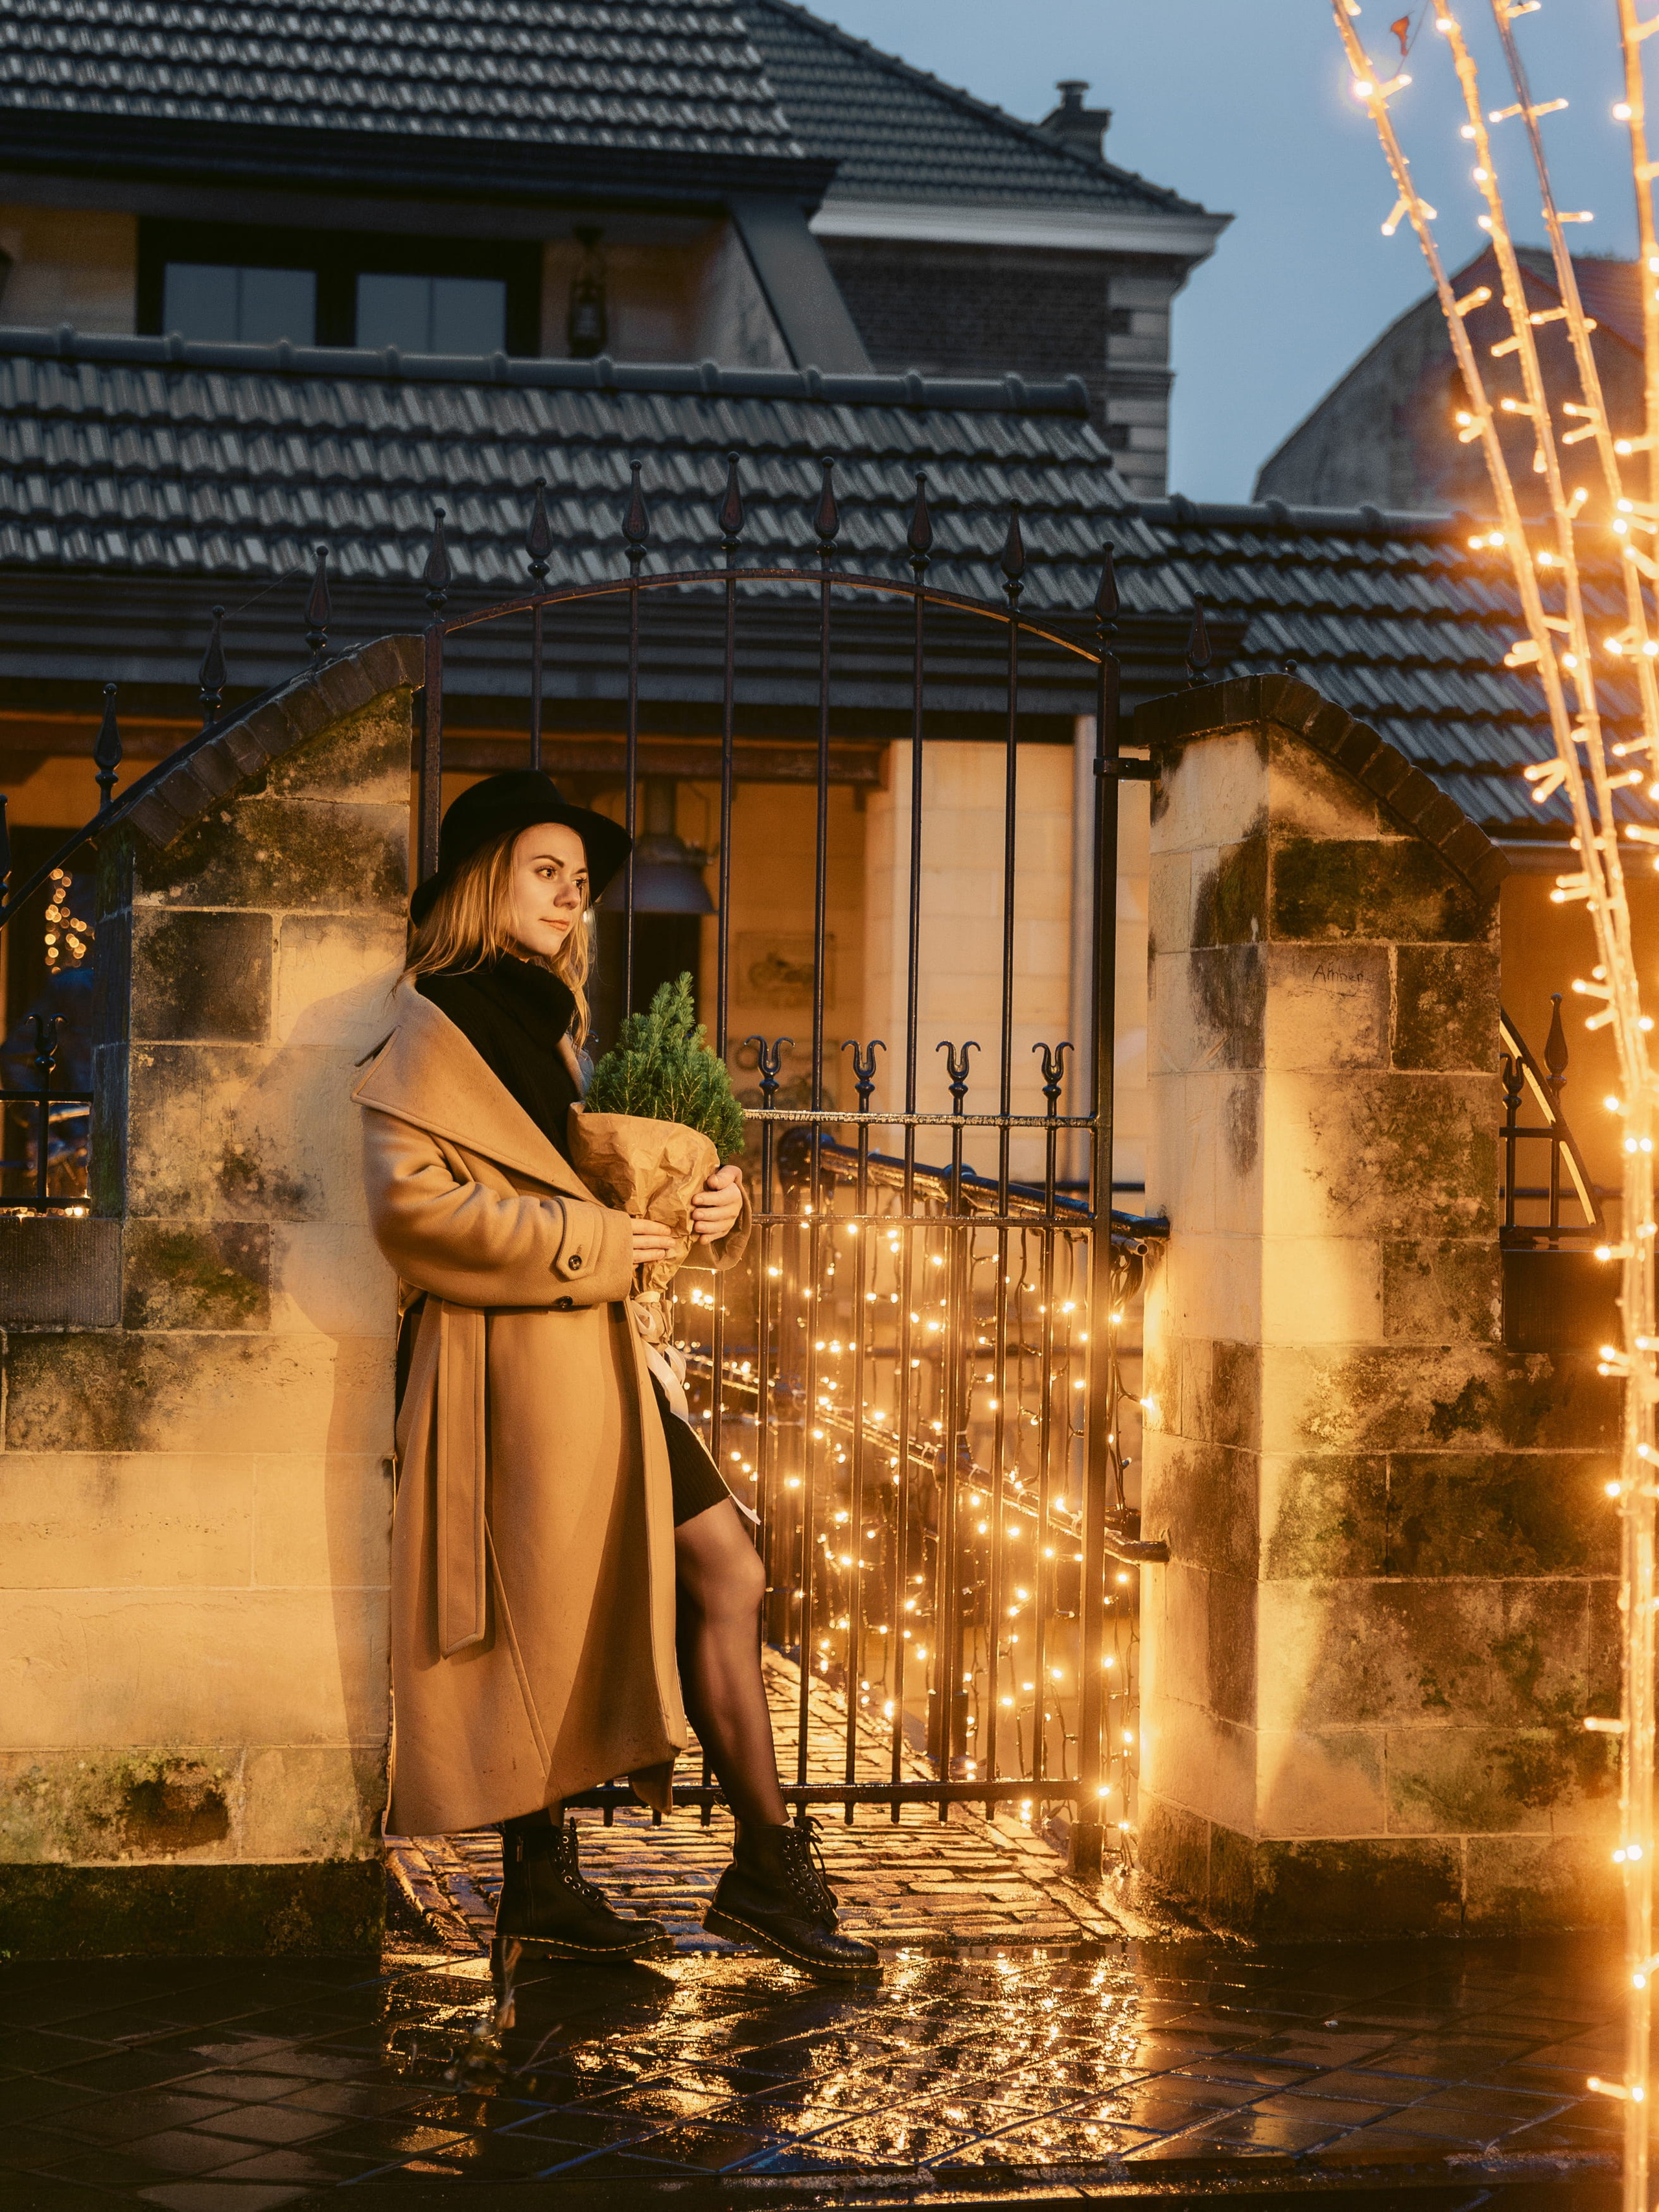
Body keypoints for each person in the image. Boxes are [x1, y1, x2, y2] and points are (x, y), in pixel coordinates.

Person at [353, 771, 877, 1981]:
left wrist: (709, 1206)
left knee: (726, 1563)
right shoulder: (429, 1027)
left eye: (580, 884)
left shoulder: (561, 1029)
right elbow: (415, 1216)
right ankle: (547, 1881)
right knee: (535, 1607)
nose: (570, 896)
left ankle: (761, 1861)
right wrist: (596, 1245)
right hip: (502, 1366)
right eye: (547, 871)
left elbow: (605, 1190)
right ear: (487, 880)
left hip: (604, 1359)